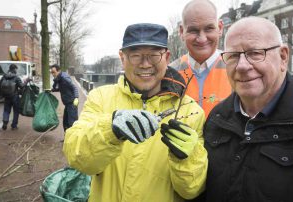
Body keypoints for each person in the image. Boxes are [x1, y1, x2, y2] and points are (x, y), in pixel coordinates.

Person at [63, 23, 208, 202]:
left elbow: (192, 190)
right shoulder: (100, 98)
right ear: (122, 57)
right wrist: (111, 129)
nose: (145, 64)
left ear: (167, 57)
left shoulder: (191, 111)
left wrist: (188, 158)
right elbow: (78, 160)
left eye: (154, 55)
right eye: (135, 55)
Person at [198, 16, 293, 201]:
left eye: (255, 53)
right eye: (233, 56)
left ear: (283, 57)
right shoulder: (216, 118)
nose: (242, 65)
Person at [171, 0, 232, 118]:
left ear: (220, 28)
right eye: (193, 30)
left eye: (209, 28)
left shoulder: (237, 69)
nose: (202, 39)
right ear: (182, 31)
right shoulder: (169, 74)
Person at [50, 64, 79, 131]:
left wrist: (76, 97)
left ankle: (72, 140)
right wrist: (52, 90)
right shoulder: (59, 78)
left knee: (71, 123)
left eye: (54, 72)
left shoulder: (64, 78)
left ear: (59, 71)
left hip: (72, 103)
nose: (53, 74)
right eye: (51, 72)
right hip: (67, 103)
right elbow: (62, 88)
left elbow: (74, 87)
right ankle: (66, 138)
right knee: (65, 122)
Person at [0, 64, 25, 130]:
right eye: (16, 69)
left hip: (7, 97)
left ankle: (5, 122)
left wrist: (1, 95)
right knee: (16, 111)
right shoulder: (16, 77)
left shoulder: (4, 76)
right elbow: (21, 86)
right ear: (15, 69)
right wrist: (26, 81)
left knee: (6, 110)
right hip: (15, 96)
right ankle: (14, 125)